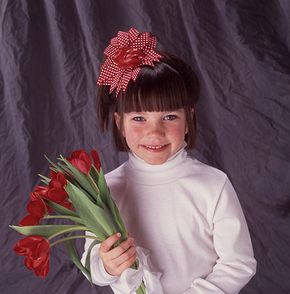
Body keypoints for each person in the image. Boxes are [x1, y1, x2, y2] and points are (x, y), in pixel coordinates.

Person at [81, 28, 257, 294]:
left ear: (189, 119)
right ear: (120, 124)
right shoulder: (107, 189)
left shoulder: (212, 184)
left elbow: (239, 262)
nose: (155, 132)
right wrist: (106, 266)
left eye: (170, 117)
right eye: (139, 118)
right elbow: (91, 263)